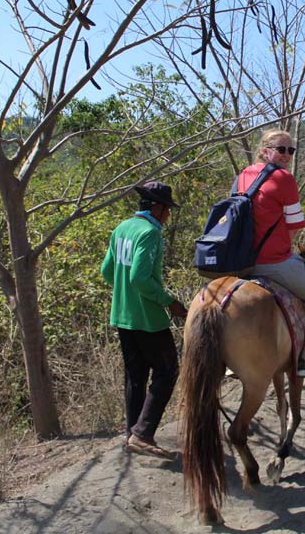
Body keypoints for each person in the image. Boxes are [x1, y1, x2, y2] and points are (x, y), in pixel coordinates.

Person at [235, 130, 305, 378]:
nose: (287, 155)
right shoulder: (285, 180)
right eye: (281, 149)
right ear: (265, 149)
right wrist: (280, 248)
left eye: (291, 150)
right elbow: (295, 226)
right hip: (274, 261)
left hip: (240, 262)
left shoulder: (244, 175)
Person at [101, 181, 188, 459]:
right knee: (167, 371)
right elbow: (139, 277)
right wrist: (169, 302)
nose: (168, 216)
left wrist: (123, 294)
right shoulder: (150, 233)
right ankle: (143, 433)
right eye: (167, 210)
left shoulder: (121, 229)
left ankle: (132, 434)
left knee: (135, 376)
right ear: (157, 207)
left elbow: (107, 271)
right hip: (148, 318)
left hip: (121, 316)